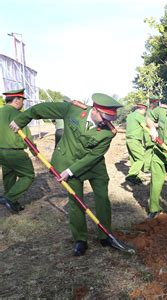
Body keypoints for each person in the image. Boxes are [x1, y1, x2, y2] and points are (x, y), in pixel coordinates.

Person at [10, 93, 123, 256]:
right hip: (67, 161)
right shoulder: (73, 110)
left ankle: (105, 235)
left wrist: (71, 171)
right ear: (95, 110)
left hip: (93, 164)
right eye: (105, 117)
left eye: (111, 119)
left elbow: (93, 156)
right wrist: (21, 120)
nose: (107, 122)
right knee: (75, 200)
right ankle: (80, 239)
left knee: (103, 198)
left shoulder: (108, 132)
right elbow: (41, 109)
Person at [0, 88, 35, 213]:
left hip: (1, 152)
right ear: (16, 100)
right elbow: (27, 136)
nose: (23, 103)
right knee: (28, 175)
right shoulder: (18, 114)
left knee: (9, 175)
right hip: (15, 152)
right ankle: (9, 198)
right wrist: (34, 150)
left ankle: (12, 203)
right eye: (22, 100)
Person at [125, 103, 148, 184]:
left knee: (134, 159)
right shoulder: (139, 116)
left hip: (128, 140)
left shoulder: (130, 116)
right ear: (143, 109)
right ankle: (131, 176)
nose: (145, 113)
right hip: (135, 140)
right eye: (145, 111)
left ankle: (136, 178)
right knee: (141, 158)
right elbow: (146, 126)